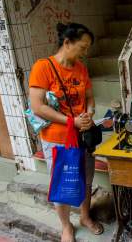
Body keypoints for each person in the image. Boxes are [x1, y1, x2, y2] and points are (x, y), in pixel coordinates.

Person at [29, 22, 103, 242]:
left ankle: (85, 216)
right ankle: (65, 226)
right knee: (61, 184)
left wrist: (89, 114)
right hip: (57, 139)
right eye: (83, 47)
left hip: (82, 137)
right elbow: (38, 106)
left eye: (88, 47)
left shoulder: (81, 68)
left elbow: (89, 98)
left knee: (86, 180)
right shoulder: (43, 67)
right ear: (67, 42)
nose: (85, 52)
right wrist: (71, 122)